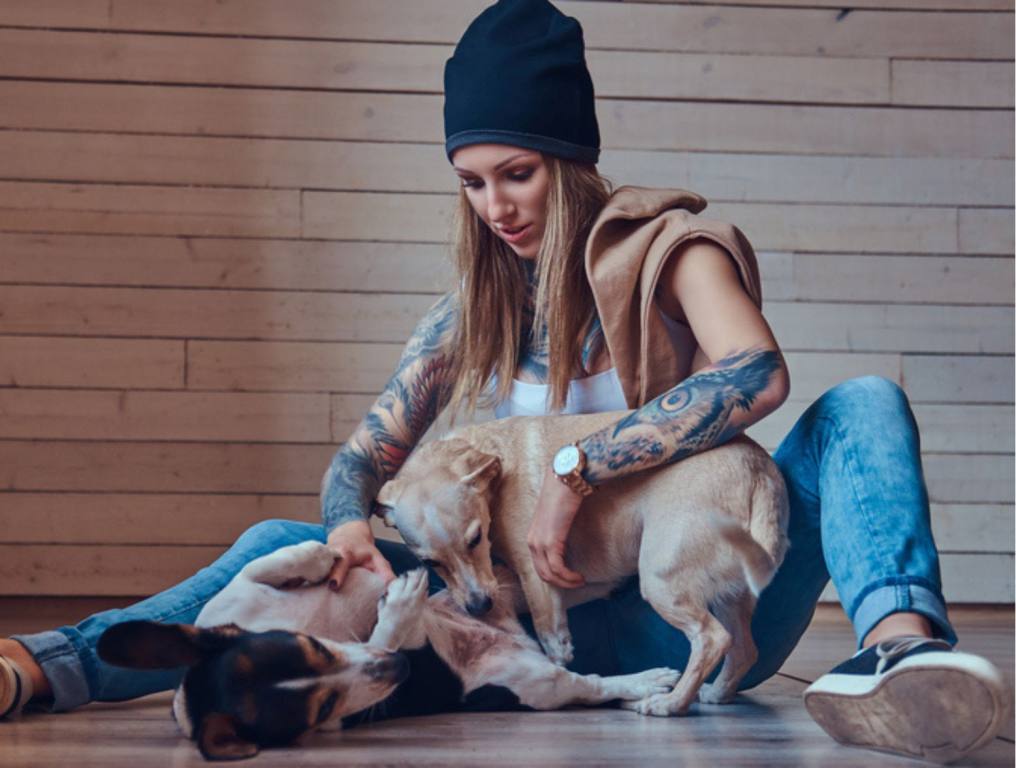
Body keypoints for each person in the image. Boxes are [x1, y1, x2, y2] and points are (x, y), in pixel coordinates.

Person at [1, 0, 1009, 762]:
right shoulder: (468, 313)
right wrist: (349, 524)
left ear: (568, 162)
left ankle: (896, 655)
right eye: (471, 180)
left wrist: (575, 466)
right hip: (529, 620)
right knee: (282, 545)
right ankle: (44, 668)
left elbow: (754, 375)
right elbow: (362, 459)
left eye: (516, 172)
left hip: (696, 596)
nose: (494, 204)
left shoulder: (671, 253)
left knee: (863, 404)